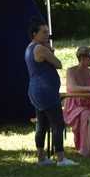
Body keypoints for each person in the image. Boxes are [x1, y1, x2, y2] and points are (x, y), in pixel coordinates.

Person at [25, 20, 78, 167]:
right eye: (44, 32)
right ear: (34, 34)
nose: (47, 34)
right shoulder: (41, 49)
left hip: (36, 90)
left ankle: (42, 158)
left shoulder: (30, 48)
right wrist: (50, 50)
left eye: (47, 32)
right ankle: (61, 159)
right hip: (45, 91)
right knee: (57, 124)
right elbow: (58, 64)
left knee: (42, 124)